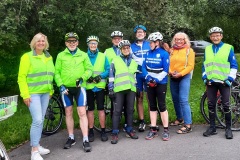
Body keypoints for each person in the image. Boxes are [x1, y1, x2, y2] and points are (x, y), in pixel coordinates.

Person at [18, 33, 54, 160]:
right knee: (37, 120)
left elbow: (50, 75)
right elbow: (21, 77)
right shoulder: (27, 57)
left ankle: (37, 145)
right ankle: (34, 151)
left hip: (45, 93)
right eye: (38, 41)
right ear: (34, 43)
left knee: (41, 120)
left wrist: (51, 91)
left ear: (46, 43)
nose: (41, 43)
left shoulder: (48, 57)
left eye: (43, 41)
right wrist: (25, 95)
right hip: (33, 94)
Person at [54, 32, 93, 152]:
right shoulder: (61, 55)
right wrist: (60, 85)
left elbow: (89, 69)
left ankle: (85, 139)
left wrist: (83, 78)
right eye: (69, 41)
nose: (72, 43)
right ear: (66, 43)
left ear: (77, 42)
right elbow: (57, 72)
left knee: (82, 112)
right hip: (65, 88)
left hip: (79, 88)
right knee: (68, 112)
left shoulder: (83, 55)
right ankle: (71, 137)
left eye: (74, 41)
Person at [202, 27, 238, 139]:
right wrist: (205, 78)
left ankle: (228, 128)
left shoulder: (228, 48)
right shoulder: (207, 49)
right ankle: (212, 127)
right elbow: (204, 65)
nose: (215, 37)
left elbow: (234, 65)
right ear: (210, 37)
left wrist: (230, 79)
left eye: (217, 35)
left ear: (221, 36)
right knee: (211, 104)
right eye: (213, 36)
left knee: (226, 105)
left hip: (224, 82)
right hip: (211, 82)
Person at [108, 40, 138, 144]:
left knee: (129, 110)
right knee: (117, 111)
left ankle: (129, 129)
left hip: (131, 89)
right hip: (119, 89)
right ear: (121, 50)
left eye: (127, 48)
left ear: (130, 49)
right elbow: (111, 75)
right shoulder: (115, 60)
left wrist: (136, 88)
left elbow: (134, 76)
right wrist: (110, 88)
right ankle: (115, 133)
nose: (126, 50)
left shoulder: (134, 61)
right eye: (124, 48)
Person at [142, 32, 170, 141]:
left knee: (162, 106)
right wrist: (148, 78)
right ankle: (153, 129)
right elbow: (144, 67)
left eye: (151, 42)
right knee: (152, 106)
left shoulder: (164, 54)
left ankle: (166, 130)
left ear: (157, 42)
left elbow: (166, 70)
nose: (150, 44)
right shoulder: (148, 53)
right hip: (150, 83)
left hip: (161, 83)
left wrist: (157, 80)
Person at [169, 32, 195, 134]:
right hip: (173, 77)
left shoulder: (189, 51)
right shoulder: (172, 51)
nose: (179, 41)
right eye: (177, 39)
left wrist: (181, 74)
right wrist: (171, 72)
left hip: (184, 77)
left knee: (183, 100)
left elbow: (190, 66)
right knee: (175, 99)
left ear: (185, 40)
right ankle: (180, 119)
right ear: (174, 40)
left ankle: (188, 124)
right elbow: (168, 63)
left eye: (181, 39)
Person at [85, 35, 110, 142]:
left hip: (100, 86)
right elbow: (81, 69)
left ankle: (103, 130)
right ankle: (90, 131)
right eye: (91, 43)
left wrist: (101, 76)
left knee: (100, 109)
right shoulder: (84, 56)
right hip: (88, 86)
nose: (93, 45)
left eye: (95, 43)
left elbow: (108, 69)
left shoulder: (103, 56)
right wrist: (87, 77)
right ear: (88, 45)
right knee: (90, 110)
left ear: (97, 44)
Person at [131, 25, 151, 132]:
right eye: (138, 32)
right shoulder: (131, 46)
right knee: (139, 98)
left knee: (150, 98)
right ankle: (142, 121)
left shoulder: (149, 45)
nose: (140, 33)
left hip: (148, 74)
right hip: (137, 75)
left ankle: (152, 121)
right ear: (135, 34)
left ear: (145, 34)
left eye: (142, 32)